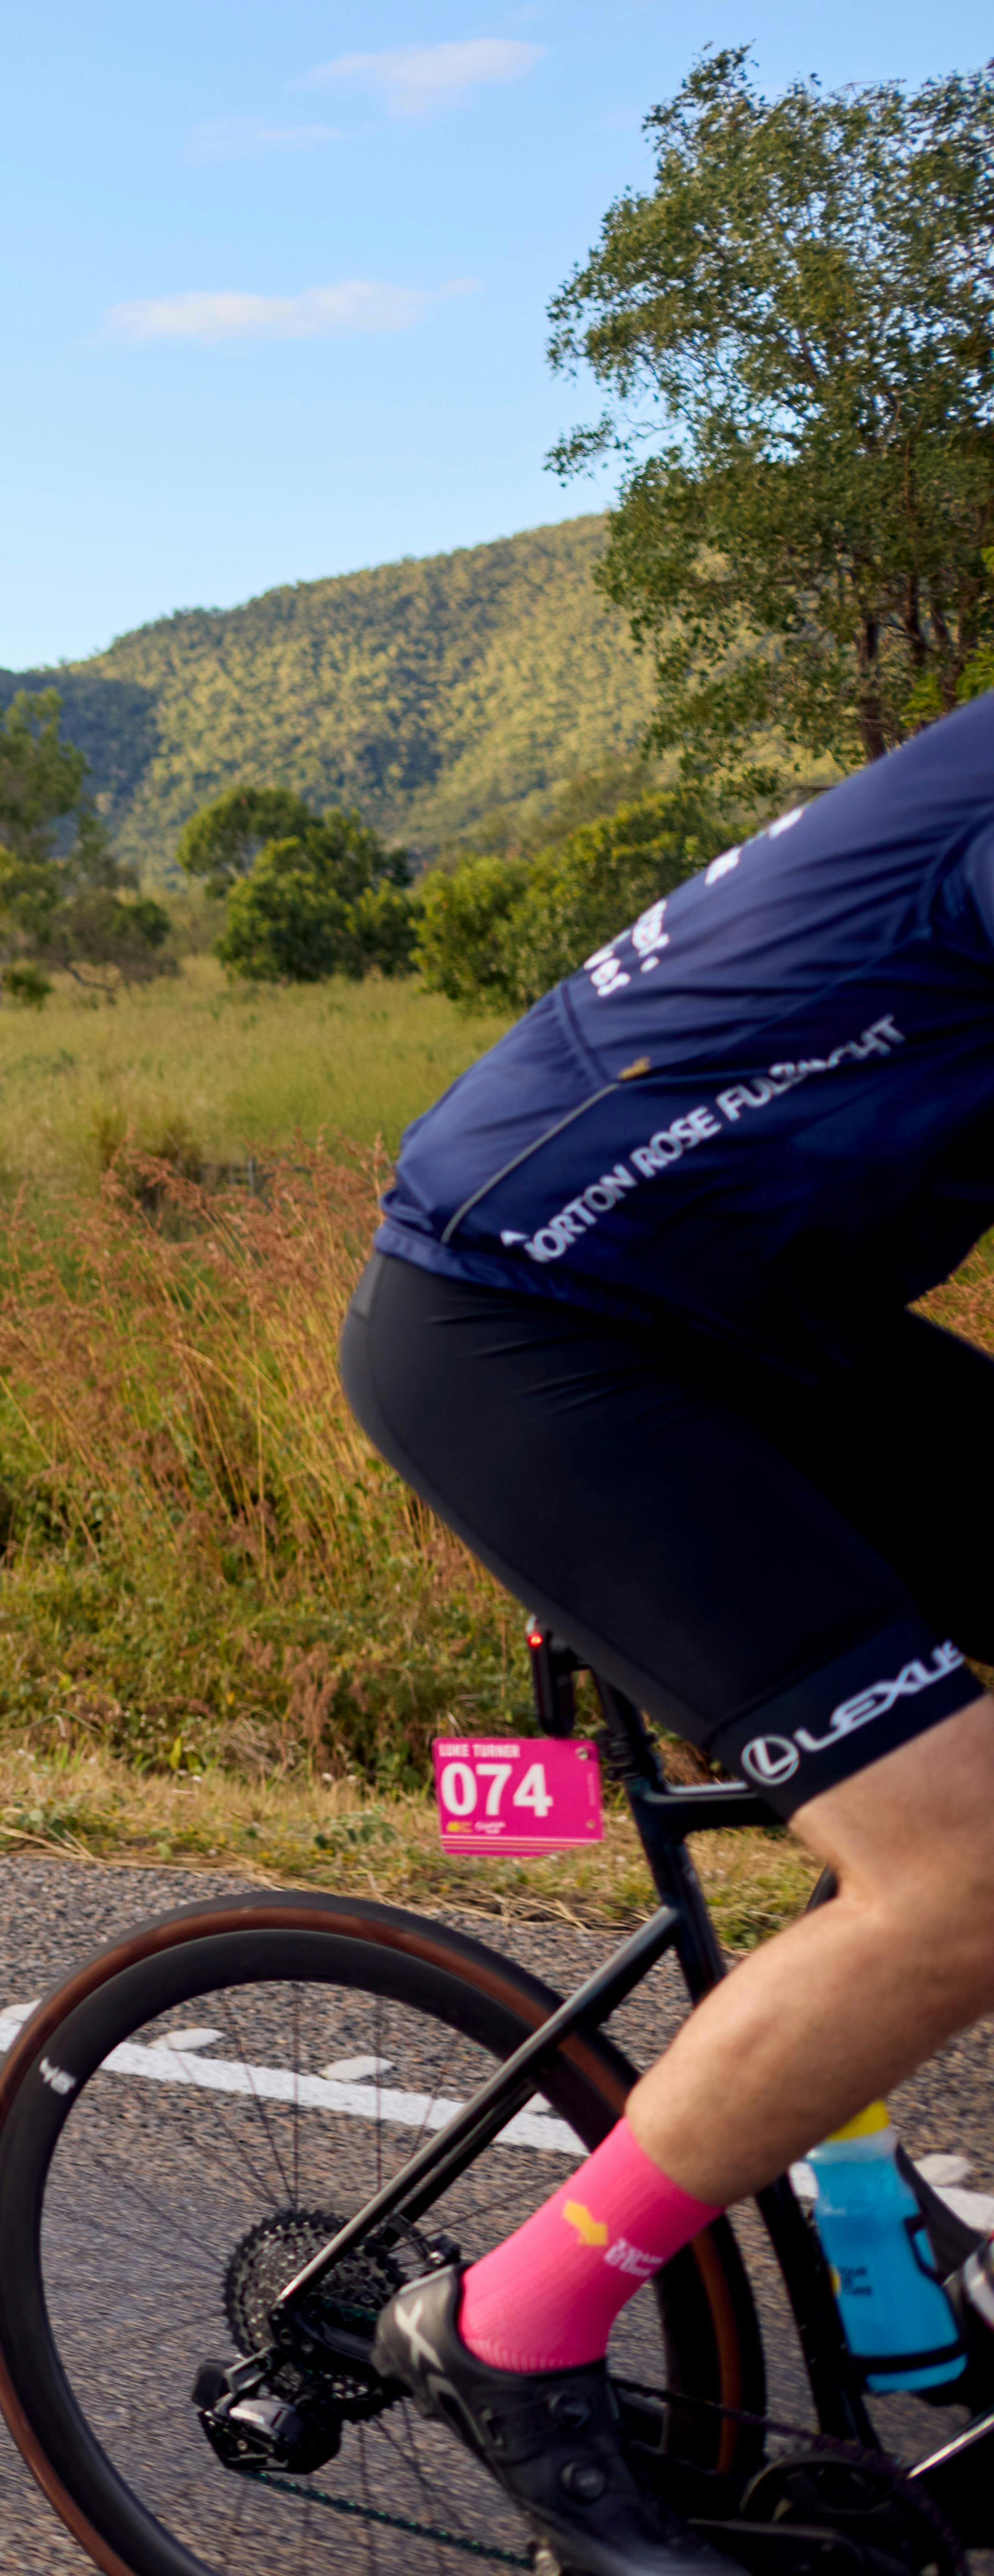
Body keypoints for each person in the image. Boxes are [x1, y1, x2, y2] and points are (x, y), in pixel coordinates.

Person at [340, 692, 994, 2576]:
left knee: (922, 1857)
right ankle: (506, 2325)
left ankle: (876, 2255)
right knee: (952, 1874)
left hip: (746, 1324)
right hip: (528, 1326)